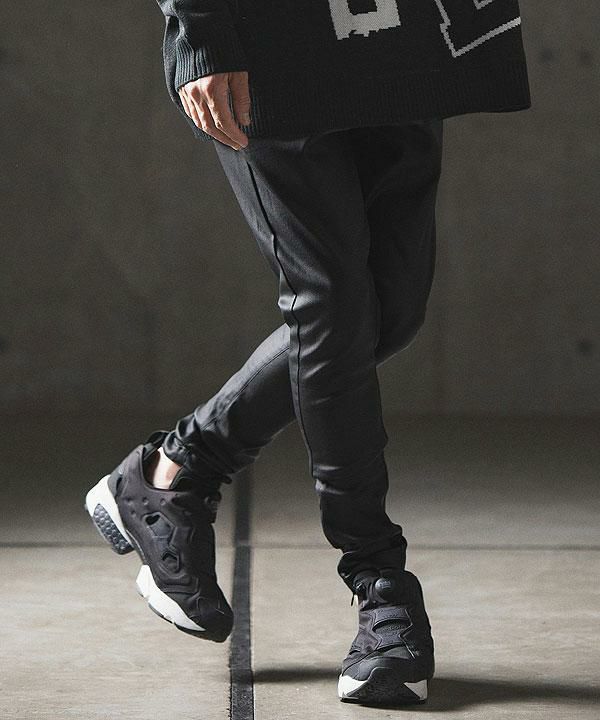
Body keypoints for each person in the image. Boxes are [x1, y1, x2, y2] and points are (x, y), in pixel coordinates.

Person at [85, 0, 532, 705]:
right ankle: (379, 577)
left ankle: (176, 470)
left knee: (390, 311)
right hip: (270, 32)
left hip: (402, 28)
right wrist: (202, 32)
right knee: (331, 301)